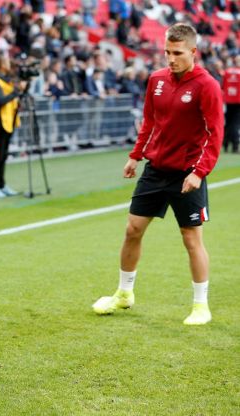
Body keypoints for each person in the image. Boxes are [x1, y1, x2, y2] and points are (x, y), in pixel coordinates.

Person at [92, 23, 224, 326]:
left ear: (193, 52)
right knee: (132, 230)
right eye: (167, 51)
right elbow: (149, 122)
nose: (170, 58)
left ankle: (201, 305)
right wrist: (135, 156)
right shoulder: (157, 80)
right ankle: (124, 293)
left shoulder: (207, 85)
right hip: (155, 170)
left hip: (187, 174)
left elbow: (215, 135)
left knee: (191, 239)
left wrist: (199, 173)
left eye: (177, 53)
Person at [0, 53, 27, 198]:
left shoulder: (5, 82)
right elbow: (1, 100)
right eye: (7, 61)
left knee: (3, 156)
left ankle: (1, 184)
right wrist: (15, 92)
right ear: (2, 64)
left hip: (7, 123)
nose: (10, 64)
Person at [222, 55, 240, 153]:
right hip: (238, 101)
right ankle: (235, 145)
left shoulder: (227, 72)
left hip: (228, 100)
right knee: (235, 124)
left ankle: (225, 143)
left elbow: (223, 86)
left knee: (228, 123)